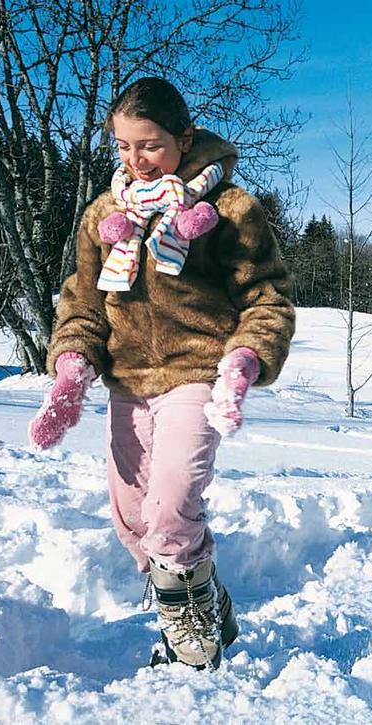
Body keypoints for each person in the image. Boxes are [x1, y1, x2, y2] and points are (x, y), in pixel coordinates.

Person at [28, 77, 295, 668]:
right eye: (123, 147)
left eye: (148, 145)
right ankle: (208, 596)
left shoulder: (228, 209)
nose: (135, 160)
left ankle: (189, 631)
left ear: (184, 137)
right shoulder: (104, 215)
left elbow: (267, 298)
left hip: (198, 372)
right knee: (133, 521)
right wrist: (72, 367)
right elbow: (82, 302)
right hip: (128, 381)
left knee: (173, 505)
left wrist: (245, 357)